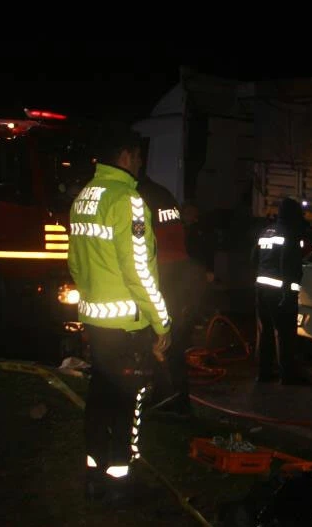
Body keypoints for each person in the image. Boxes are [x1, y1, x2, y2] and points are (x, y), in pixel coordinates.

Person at [68, 130, 172, 504]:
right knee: (128, 405)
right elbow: (139, 272)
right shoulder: (127, 201)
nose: (141, 163)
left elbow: (76, 265)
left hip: (97, 323)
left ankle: (94, 477)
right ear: (126, 155)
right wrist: (161, 323)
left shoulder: (84, 199)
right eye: (138, 156)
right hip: (128, 326)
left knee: (99, 400)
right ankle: (121, 484)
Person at [137, 175, 206, 418]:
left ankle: (173, 399)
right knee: (171, 345)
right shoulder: (163, 195)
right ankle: (169, 396)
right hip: (178, 280)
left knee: (164, 345)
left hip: (163, 279)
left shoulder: (140, 197)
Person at [252, 197, 307, 384]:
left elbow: (254, 259)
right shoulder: (290, 233)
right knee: (285, 334)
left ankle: (263, 373)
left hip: (261, 290)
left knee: (265, 332)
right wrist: (287, 292)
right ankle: (287, 375)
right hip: (281, 293)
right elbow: (289, 265)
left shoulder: (265, 232)